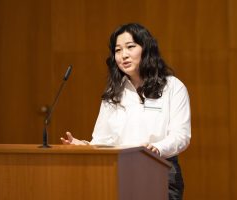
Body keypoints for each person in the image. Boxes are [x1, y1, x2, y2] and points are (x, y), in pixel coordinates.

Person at [61, 23, 191, 200]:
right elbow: (103, 139)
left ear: (146, 49)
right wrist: (85, 146)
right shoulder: (113, 93)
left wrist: (157, 149)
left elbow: (181, 135)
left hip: (160, 171)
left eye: (130, 47)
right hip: (119, 174)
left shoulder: (173, 86)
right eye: (118, 50)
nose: (124, 55)